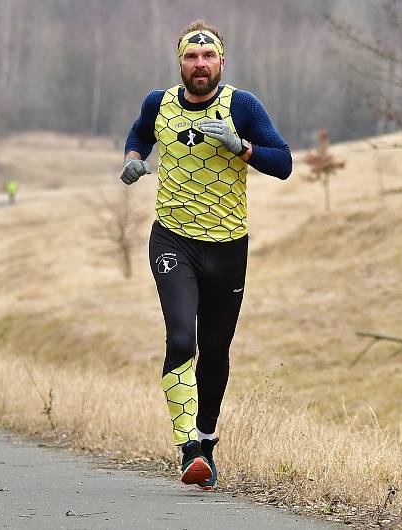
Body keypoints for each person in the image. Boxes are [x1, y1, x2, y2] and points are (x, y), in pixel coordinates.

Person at [121, 19, 291, 490]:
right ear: (180, 62)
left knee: (215, 351)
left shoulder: (243, 106)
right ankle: (188, 450)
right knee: (182, 341)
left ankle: (207, 442)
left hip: (228, 248)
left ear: (221, 61)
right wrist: (133, 158)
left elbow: (285, 163)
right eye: (191, 57)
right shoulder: (159, 103)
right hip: (173, 240)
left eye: (208, 56)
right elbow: (138, 134)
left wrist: (243, 147)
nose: (200, 65)